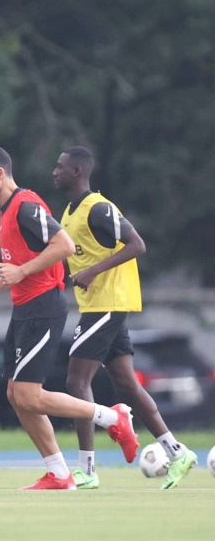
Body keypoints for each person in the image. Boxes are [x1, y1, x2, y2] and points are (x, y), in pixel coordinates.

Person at [0, 145, 139, 490]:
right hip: (25, 308)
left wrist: (20, 273)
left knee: (30, 395)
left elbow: (62, 246)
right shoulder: (6, 212)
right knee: (16, 395)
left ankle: (111, 416)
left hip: (43, 309)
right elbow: (20, 269)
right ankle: (59, 472)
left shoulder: (25, 206)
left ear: (0, 174)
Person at [52, 146, 198, 489]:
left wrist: (92, 272)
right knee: (127, 386)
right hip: (97, 305)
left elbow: (137, 244)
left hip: (109, 303)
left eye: (59, 167)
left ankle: (86, 470)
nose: (54, 172)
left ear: (77, 171)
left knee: (76, 381)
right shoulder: (69, 213)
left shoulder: (98, 208)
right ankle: (178, 453)